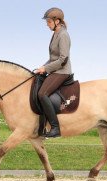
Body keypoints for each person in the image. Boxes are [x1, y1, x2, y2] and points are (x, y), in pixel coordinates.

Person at [35, 7, 72, 138]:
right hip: (55, 70)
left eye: (49, 21)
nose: (47, 24)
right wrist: (42, 67)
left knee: (42, 93)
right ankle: (41, 127)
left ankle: (55, 128)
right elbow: (52, 58)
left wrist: (46, 69)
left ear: (57, 21)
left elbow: (63, 59)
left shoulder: (63, 35)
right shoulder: (55, 34)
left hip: (62, 71)